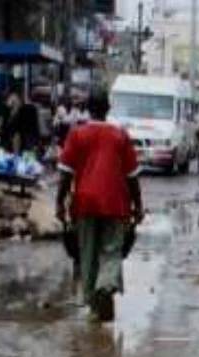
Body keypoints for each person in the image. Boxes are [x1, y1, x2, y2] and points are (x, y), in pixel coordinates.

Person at [56, 89, 143, 323]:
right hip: (115, 203)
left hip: (83, 202)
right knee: (112, 250)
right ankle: (106, 285)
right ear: (108, 108)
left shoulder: (77, 134)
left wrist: (59, 202)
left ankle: (95, 307)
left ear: (87, 108)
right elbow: (132, 177)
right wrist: (139, 205)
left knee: (88, 253)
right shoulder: (120, 136)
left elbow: (65, 174)